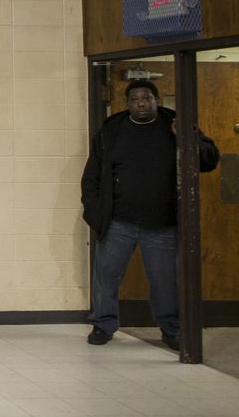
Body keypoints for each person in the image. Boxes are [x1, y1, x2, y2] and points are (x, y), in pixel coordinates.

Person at [81, 79, 219, 350]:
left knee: (165, 281)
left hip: (162, 223)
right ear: (127, 103)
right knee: (106, 275)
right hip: (117, 221)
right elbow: (92, 174)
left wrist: (187, 138)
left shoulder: (175, 124)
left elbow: (209, 161)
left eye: (146, 98)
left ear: (157, 100)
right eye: (134, 99)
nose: (141, 104)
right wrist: (94, 212)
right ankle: (103, 324)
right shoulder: (113, 129)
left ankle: (171, 329)